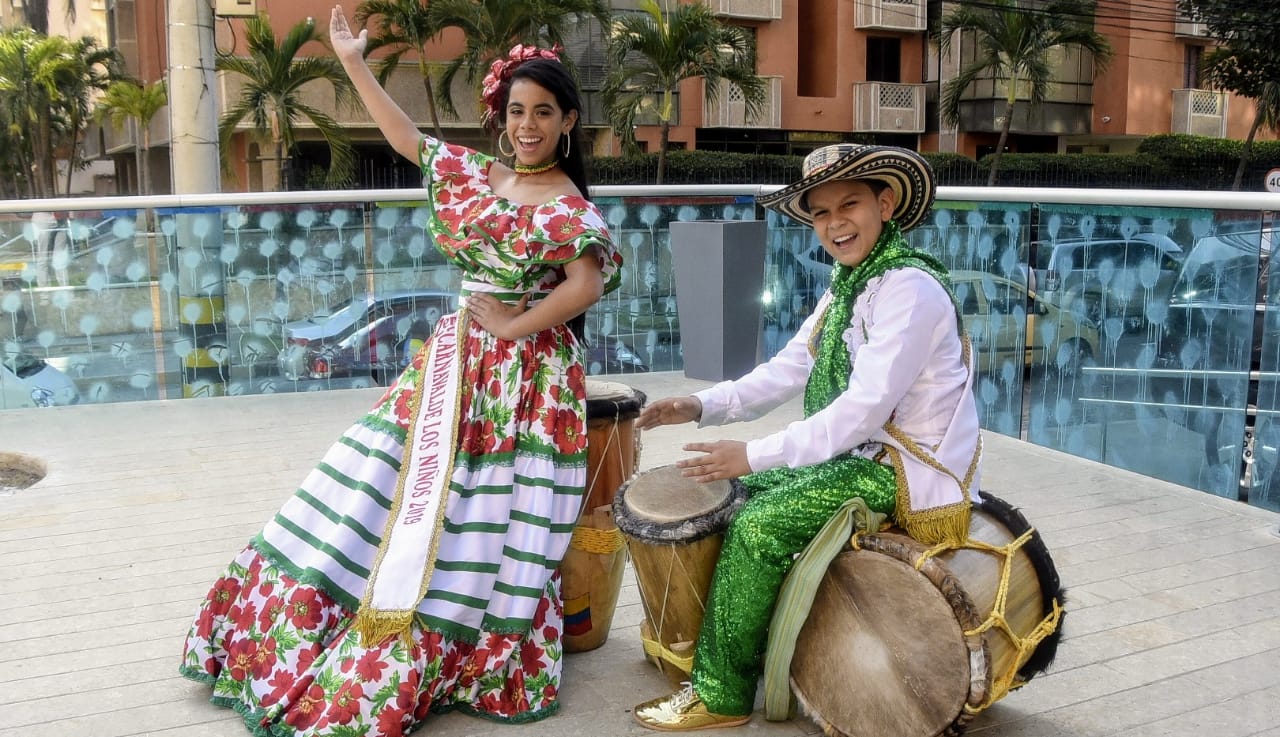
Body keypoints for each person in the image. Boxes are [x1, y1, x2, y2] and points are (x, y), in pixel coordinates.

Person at [179, 6, 623, 735]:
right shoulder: (486, 176)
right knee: (375, 471)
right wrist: (352, 59)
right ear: (502, 117)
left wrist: (512, 324)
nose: (529, 125)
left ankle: (444, 638)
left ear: (568, 120)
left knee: (483, 509)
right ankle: (305, 617)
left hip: (525, 379)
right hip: (455, 361)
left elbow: (585, 284)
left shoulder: (567, 201)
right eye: (517, 111)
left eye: (544, 112)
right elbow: (408, 140)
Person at [631, 144, 982, 731]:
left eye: (850, 205)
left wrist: (750, 453)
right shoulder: (849, 285)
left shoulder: (908, 290)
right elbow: (788, 369)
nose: (835, 224)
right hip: (859, 454)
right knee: (744, 493)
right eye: (820, 213)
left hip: (901, 467)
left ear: (886, 203)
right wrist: (700, 405)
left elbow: (863, 412)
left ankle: (722, 695)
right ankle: (738, 642)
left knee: (757, 522)